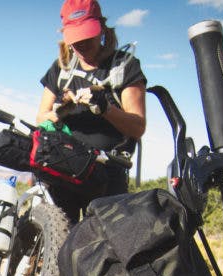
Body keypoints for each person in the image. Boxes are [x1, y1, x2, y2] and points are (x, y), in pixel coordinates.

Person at [36, 0, 147, 222]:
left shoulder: (124, 66)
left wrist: (104, 108)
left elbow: (137, 126)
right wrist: (64, 109)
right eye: (76, 40)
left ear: (102, 29)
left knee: (102, 249)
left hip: (107, 174)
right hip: (63, 167)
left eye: (88, 37)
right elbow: (41, 117)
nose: (82, 45)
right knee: (59, 244)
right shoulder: (62, 68)